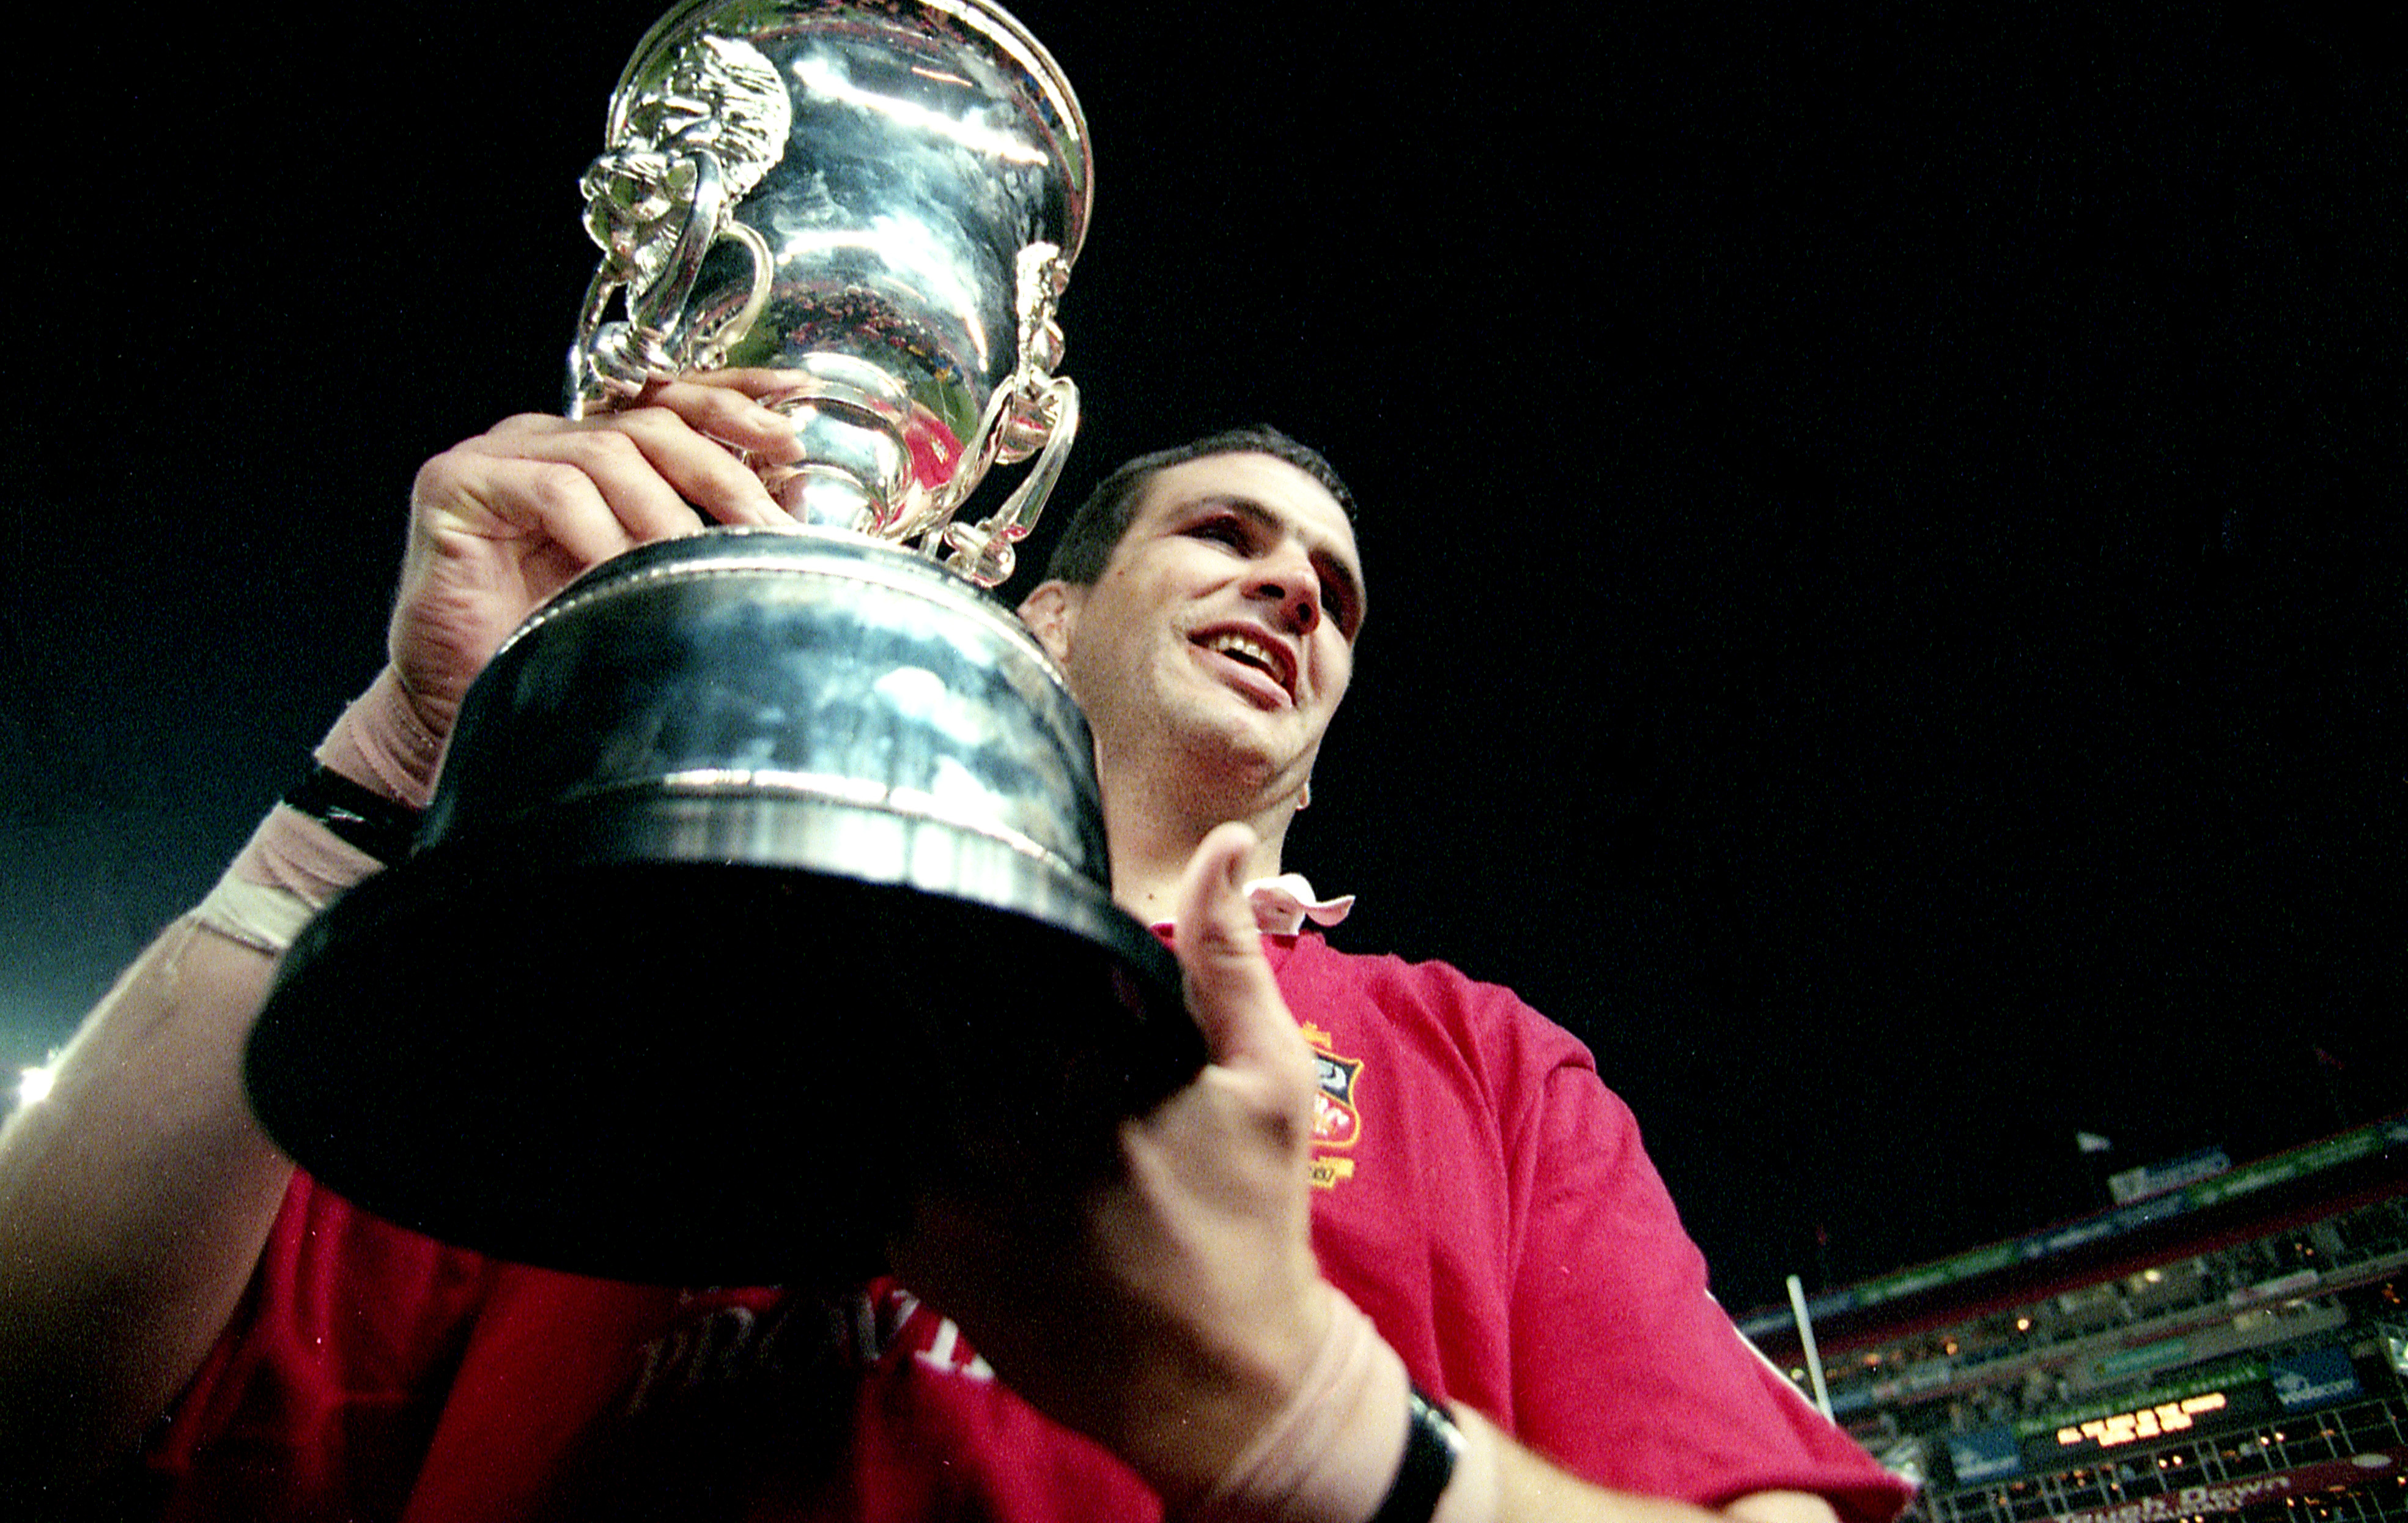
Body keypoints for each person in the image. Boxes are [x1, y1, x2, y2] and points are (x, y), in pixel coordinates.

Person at [0, 376, 1912, 1523]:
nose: (1294, 591)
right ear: (1045, 609)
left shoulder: (1476, 1061)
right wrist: (381, 777)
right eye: (1228, 536)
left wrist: (1309, 1428)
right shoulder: (629, 963)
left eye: (1333, 593)